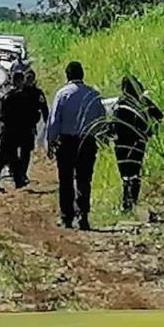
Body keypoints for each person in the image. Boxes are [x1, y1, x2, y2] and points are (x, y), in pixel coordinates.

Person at [47, 61, 106, 231]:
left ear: (67, 75)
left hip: (67, 142)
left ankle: (67, 217)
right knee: (84, 180)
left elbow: (54, 122)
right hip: (87, 142)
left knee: (65, 180)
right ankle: (83, 216)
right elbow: (101, 120)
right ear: (82, 75)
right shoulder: (93, 95)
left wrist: (50, 143)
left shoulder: (62, 94)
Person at [112, 75, 164, 212]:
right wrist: (151, 132)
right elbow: (159, 116)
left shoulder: (120, 103)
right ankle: (132, 202)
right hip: (138, 141)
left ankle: (127, 204)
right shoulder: (143, 102)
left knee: (125, 174)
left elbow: (112, 124)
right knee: (135, 172)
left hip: (121, 143)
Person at [0, 70, 29, 192]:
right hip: (11, 128)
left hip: (2, 127)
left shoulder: (2, 92)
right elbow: (21, 115)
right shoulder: (17, 94)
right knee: (4, 155)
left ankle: (18, 180)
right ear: (20, 81)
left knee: (11, 154)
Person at [19, 69, 49, 183]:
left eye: (31, 78)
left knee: (26, 151)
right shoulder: (18, 91)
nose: (29, 80)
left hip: (29, 126)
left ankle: (22, 173)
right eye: (28, 78)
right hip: (16, 126)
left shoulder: (38, 93)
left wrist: (47, 122)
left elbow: (44, 108)